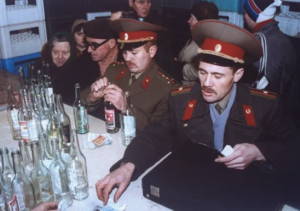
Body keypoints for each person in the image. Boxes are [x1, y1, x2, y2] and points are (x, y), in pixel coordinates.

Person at [95, 20, 299, 205]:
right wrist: (128, 166)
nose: (207, 84)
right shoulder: (182, 99)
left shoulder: (263, 105)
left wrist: (259, 152)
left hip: (242, 193)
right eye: (203, 72)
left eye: (218, 76)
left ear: (238, 74)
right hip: (194, 186)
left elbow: (293, 146)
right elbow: (157, 134)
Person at [85, 19, 178, 132]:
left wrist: (126, 107)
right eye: (124, 52)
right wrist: (93, 98)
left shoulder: (167, 88)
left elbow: (159, 131)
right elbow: (79, 101)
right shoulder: (114, 70)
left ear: (152, 51)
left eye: (134, 53)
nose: (128, 58)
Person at [243, 0, 297, 102]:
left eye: (245, 12)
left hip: (264, 108)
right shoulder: (284, 39)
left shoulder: (259, 42)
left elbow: (261, 88)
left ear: (254, 16)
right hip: (282, 105)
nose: (244, 16)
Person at [176, 1, 219, 85]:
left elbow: (202, 71)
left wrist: (181, 68)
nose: (189, 21)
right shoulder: (193, 38)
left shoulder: (208, 42)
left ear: (201, 21)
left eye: (192, 18)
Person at [34, 32, 77, 96]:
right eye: (55, 52)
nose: (60, 57)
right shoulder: (40, 66)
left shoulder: (78, 68)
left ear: (72, 52)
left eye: (64, 52)